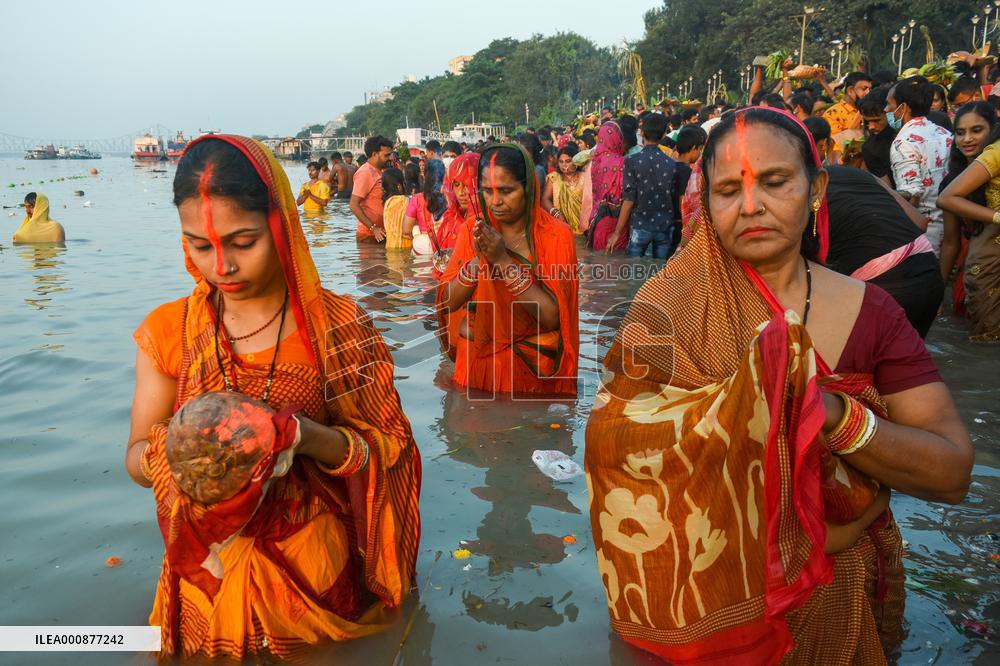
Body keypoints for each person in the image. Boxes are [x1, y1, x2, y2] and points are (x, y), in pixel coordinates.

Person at [586, 107, 973, 665]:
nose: (750, 207)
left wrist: (832, 413)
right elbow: (621, 465)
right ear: (705, 200)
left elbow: (952, 472)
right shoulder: (665, 313)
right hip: (710, 605)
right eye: (726, 189)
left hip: (836, 597)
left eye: (775, 182)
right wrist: (825, 525)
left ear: (815, 189)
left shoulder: (873, 311)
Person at [126, 134, 421, 658]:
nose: (222, 267)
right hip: (204, 577)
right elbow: (133, 458)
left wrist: (302, 437)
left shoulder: (341, 328)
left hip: (313, 578)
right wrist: (187, 453)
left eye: (242, 242)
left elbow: (389, 450)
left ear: (281, 225)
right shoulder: (170, 330)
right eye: (200, 245)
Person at [437, 144, 579, 397]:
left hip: (529, 372)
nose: (496, 201)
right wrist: (479, 263)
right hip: (475, 364)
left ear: (528, 188)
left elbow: (553, 318)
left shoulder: (556, 235)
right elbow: (447, 302)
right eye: (487, 192)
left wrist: (502, 261)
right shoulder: (474, 229)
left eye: (506, 191)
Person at [824, 165, 944, 337]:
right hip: (929, 274)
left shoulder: (799, 193)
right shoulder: (860, 174)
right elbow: (920, 222)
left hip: (884, 289)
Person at [938, 103, 1000, 341]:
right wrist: (937, 295)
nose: (967, 139)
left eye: (976, 130)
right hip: (976, 269)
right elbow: (951, 243)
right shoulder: (952, 182)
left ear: (993, 131)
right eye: (960, 132)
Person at [887, 76, 954, 254]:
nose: (886, 110)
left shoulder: (904, 142)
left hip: (925, 236)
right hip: (951, 230)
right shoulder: (946, 134)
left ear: (903, 107)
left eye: (889, 105)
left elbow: (911, 195)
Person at [606, 113, 679, 258]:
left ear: (642, 132)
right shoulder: (671, 164)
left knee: (634, 273)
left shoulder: (632, 161)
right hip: (664, 226)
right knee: (659, 272)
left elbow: (629, 199)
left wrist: (617, 233)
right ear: (664, 135)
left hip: (640, 225)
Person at [587, 121, 628, 252]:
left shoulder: (594, 162)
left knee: (599, 267)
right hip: (617, 224)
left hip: (597, 220)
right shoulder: (622, 162)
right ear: (617, 138)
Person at [350, 136, 393, 242]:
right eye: (386, 155)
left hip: (382, 232)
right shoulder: (365, 172)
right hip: (369, 235)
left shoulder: (380, 171)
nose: (390, 158)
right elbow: (353, 205)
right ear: (374, 154)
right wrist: (373, 228)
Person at [403, 159, 450, 255]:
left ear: (424, 176)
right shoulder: (451, 197)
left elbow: (406, 231)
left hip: (424, 246)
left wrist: (419, 238)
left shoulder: (416, 199)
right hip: (448, 244)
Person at [824, 72, 873, 151]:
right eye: (864, 89)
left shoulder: (870, 111)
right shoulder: (833, 113)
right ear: (850, 91)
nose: (868, 93)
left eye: (870, 89)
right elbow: (837, 145)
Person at [541, 145, 585, 234]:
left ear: (575, 161)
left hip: (583, 225)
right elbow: (545, 199)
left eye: (568, 161)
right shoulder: (554, 178)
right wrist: (557, 214)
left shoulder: (584, 177)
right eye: (561, 162)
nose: (564, 165)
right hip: (561, 224)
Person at [858, 86, 897, 185]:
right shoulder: (871, 149)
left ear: (892, 111)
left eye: (877, 120)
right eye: (867, 121)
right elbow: (887, 189)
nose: (871, 127)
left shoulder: (916, 130)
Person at [381, 167, 410, 250]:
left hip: (390, 246)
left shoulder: (387, 203)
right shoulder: (404, 200)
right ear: (399, 186)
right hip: (404, 246)